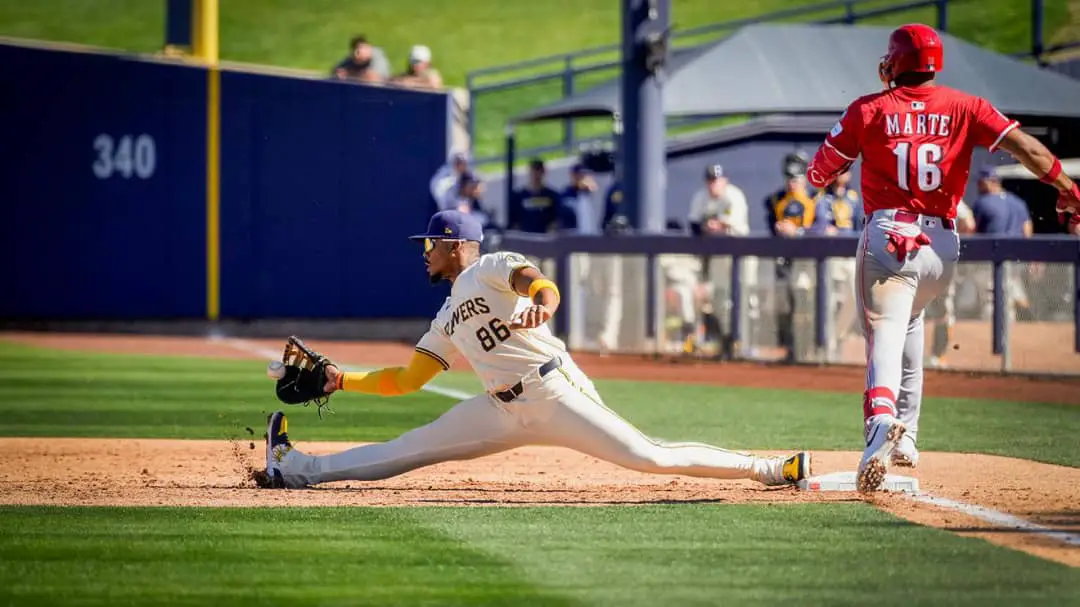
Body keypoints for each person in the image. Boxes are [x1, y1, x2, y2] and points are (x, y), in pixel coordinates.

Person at [261, 210, 812, 489]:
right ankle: (296, 468)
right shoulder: (446, 315)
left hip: (554, 391)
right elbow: (406, 380)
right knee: (408, 448)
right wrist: (341, 378)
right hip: (500, 409)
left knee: (649, 456)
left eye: (430, 243)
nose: (424, 252)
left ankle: (769, 468)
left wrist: (543, 305)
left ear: (456, 245)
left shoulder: (490, 267)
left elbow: (539, 283)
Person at [805, 23, 1080, 492]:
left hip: (891, 234)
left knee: (884, 331)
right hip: (941, 247)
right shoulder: (967, 105)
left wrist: (850, 154)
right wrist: (1067, 187)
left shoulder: (869, 109)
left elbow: (818, 173)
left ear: (893, 63)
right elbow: (1029, 149)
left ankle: (881, 421)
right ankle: (907, 436)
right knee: (910, 324)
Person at [808, 169, 864, 362]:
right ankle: (826, 344)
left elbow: (860, 227)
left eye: (846, 171)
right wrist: (824, 230)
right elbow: (817, 226)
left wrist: (840, 233)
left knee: (854, 297)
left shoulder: (853, 197)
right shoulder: (821, 197)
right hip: (829, 256)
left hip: (849, 255)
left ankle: (837, 337)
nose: (842, 175)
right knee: (829, 301)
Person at [765, 153, 816, 362]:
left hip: (810, 262)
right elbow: (771, 226)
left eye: (796, 178)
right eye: (789, 178)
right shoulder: (776, 200)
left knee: (806, 304)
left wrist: (798, 232)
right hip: (784, 260)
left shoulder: (817, 198)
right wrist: (778, 228)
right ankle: (790, 348)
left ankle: (808, 348)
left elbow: (822, 228)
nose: (792, 183)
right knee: (783, 304)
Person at [688, 164, 749, 236]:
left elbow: (732, 223)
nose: (712, 184)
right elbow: (694, 222)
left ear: (725, 181)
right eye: (709, 180)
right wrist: (705, 226)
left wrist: (717, 224)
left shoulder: (735, 196)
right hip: (707, 241)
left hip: (736, 239)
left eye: (715, 180)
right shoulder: (700, 197)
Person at [507, 159, 561, 233]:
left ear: (543, 173)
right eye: (533, 172)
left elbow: (557, 219)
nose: (536, 175)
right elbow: (514, 222)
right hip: (526, 236)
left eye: (538, 172)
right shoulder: (518, 196)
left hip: (545, 236)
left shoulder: (552, 196)